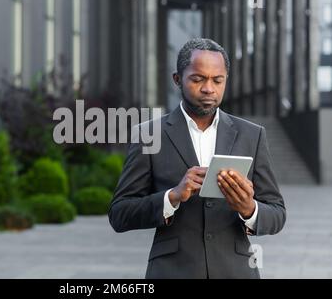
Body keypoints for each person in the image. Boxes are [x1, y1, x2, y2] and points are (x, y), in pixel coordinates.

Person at [108, 38, 286, 279]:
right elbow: (120, 214)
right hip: (172, 272)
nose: (208, 89)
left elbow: (277, 213)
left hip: (235, 271)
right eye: (198, 79)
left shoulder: (252, 135)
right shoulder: (148, 135)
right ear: (178, 80)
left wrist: (249, 209)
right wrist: (172, 197)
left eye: (217, 80)